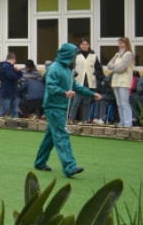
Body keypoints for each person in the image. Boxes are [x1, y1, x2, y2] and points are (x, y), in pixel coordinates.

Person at [34, 42, 102, 177]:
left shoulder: (67, 69)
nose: (75, 59)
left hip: (60, 107)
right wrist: (64, 93)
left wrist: (92, 94)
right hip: (54, 107)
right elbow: (51, 87)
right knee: (61, 135)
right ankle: (70, 166)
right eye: (73, 56)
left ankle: (40, 162)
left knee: (51, 137)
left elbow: (75, 86)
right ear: (67, 55)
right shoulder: (54, 69)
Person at [70, 38, 102, 123]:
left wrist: (95, 74)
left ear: (88, 45)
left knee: (87, 102)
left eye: (86, 44)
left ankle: (85, 119)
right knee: (76, 102)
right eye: (82, 44)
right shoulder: (76, 55)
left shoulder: (93, 56)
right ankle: (71, 118)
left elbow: (99, 69)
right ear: (80, 45)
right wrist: (74, 74)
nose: (84, 46)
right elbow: (71, 67)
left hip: (89, 81)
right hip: (79, 81)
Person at [107, 37, 135, 128]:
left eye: (122, 43)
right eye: (119, 43)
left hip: (124, 81)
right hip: (116, 81)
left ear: (126, 44)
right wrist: (117, 67)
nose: (120, 45)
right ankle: (122, 121)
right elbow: (109, 65)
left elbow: (121, 67)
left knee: (124, 103)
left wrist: (116, 67)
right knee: (119, 103)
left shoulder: (128, 54)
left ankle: (128, 122)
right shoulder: (117, 54)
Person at [0, 52, 23, 118]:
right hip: (8, 91)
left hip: (10, 90)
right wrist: (18, 72)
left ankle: (1, 122)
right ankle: (1, 121)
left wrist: (18, 72)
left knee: (12, 109)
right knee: (7, 109)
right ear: (13, 59)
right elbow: (11, 76)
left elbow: (0, 76)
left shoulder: (4, 66)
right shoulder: (6, 66)